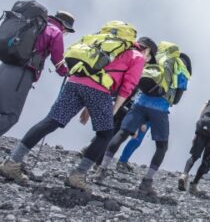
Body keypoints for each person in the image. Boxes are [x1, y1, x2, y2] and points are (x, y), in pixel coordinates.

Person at [0, 31, 154, 193]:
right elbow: (127, 88)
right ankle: (77, 175)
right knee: (105, 134)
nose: (148, 60)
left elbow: (98, 70)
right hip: (98, 90)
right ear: (147, 51)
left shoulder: (113, 46)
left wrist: (88, 106)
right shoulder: (137, 56)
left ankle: (12, 162)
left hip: (75, 81)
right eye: (150, 57)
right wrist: (113, 111)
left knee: (51, 121)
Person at [95, 42, 191, 196]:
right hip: (160, 109)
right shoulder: (181, 69)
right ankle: (146, 183)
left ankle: (101, 170)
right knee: (161, 146)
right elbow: (176, 100)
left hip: (139, 103)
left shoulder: (155, 58)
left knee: (122, 133)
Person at [0, 7, 75, 137]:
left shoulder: (36, 23)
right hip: (22, 73)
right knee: (10, 115)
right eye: (67, 31)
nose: (65, 34)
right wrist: (66, 72)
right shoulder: (55, 31)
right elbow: (58, 59)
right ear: (64, 26)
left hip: (5, 65)